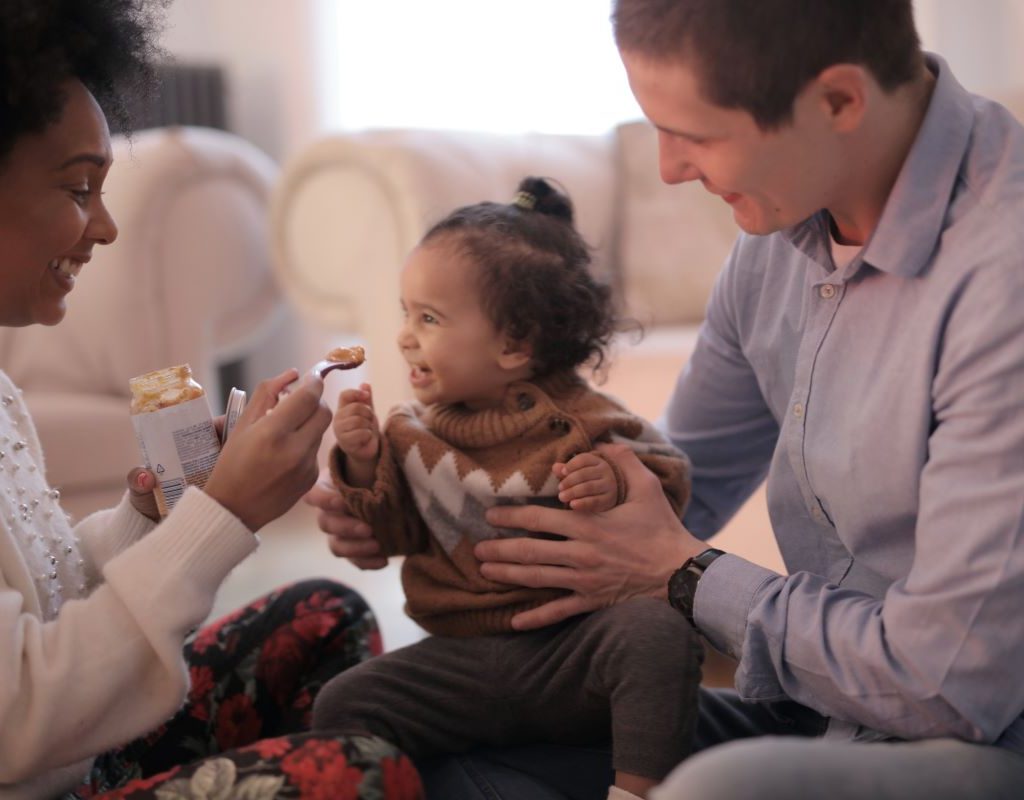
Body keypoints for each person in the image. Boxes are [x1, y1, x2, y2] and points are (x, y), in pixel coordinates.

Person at [308, 0, 1024, 798]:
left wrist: (685, 575)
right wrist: (411, 500)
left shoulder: (1004, 279)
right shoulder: (777, 244)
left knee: (714, 789)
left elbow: (948, 684)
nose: (668, 170)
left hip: (972, 730)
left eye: (696, 134)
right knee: (422, 757)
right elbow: (677, 488)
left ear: (839, 101)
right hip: (817, 706)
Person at [0, 2, 423, 798]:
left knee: (321, 617)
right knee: (364, 774)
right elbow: (19, 714)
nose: (107, 227)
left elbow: (46, 603)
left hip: (69, 759)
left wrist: (164, 511)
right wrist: (222, 516)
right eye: (79, 187)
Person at [308, 177, 701, 800]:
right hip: (462, 661)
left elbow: (666, 483)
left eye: (430, 318)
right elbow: (389, 536)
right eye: (405, 314)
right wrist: (357, 463)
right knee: (344, 702)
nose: (406, 335)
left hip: (576, 654)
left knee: (656, 637)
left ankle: (635, 790)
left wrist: (613, 485)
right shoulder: (409, 434)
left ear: (514, 344)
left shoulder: (587, 421)